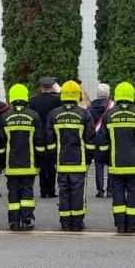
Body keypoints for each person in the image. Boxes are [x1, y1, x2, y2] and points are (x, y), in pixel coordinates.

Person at [45, 80, 96, 232]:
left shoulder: (54, 114)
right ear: (77, 95)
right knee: (77, 193)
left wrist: (54, 160)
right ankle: (77, 223)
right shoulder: (84, 114)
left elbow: (50, 141)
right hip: (79, 162)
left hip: (61, 162)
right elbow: (90, 141)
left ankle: (65, 222)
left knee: (64, 192)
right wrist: (88, 161)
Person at [0, 84, 44, 231]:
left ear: (12, 98)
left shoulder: (5, 117)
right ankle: (27, 220)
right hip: (29, 164)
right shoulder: (33, 116)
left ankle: (14, 222)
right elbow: (39, 143)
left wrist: (1, 163)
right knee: (27, 191)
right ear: (25, 98)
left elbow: (0, 143)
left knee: (13, 192)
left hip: (11, 165)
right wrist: (40, 163)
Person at [98, 82, 135, 234]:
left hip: (116, 163)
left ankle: (120, 225)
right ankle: (132, 225)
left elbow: (102, 141)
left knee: (118, 193)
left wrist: (107, 159)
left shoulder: (109, 114)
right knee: (133, 192)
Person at [28, 76, 62, 198]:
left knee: (42, 164)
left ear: (40, 87)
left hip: (39, 136)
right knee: (52, 164)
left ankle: (43, 191)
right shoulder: (58, 100)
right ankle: (51, 190)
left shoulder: (33, 101)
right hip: (53, 135)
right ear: (52, 87)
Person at [88, 84, 115, 198]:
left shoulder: (90, 107)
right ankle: (110, 190)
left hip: (97, 141)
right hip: (110, 139)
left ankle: (100, 191)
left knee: (98, 165)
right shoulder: (113, 106)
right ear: (108, 93)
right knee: (110, 165)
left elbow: (89, 126)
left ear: (97, 94)